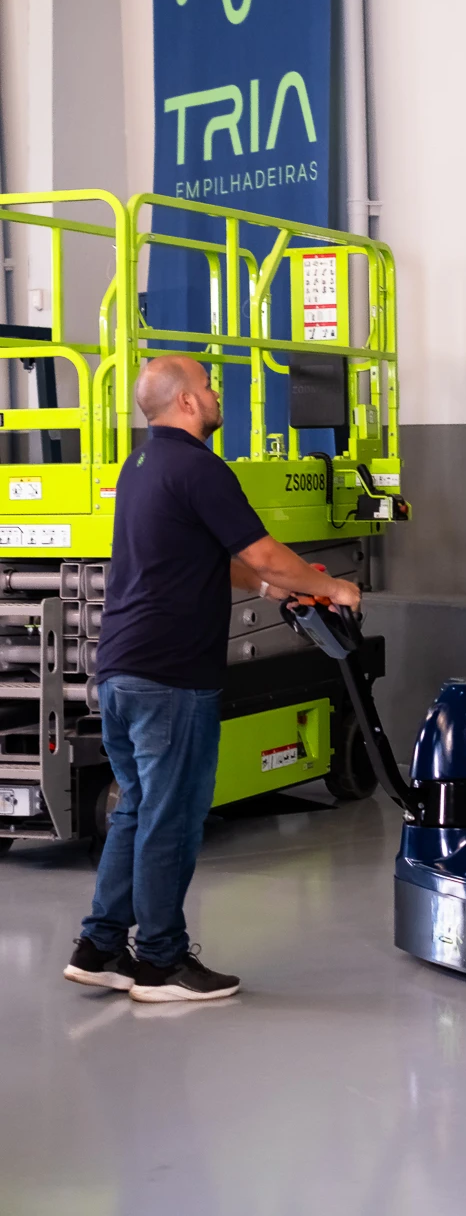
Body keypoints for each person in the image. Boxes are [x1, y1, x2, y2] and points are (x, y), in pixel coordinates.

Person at [63, 355, 362, 1003]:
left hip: (120, 670)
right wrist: (333, 587)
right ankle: (161, 962)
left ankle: (101, 945)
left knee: (137, 808)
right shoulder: (200, 467)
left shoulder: (141, 466)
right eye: (208, 385)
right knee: (171, 817)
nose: (216, 391)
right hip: (170, 676)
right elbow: (263, 552)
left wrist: (272, 588)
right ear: (186, 402)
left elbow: (207, 557)